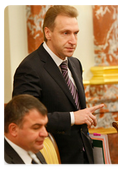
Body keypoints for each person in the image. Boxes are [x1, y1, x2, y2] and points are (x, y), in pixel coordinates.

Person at [12, 4, 104, 164]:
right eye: (65, 33)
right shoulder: (30, 68)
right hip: (53, 158)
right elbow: (25, 119)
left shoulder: (75, 64)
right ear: (48, 32)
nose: (73, 41)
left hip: (84, 157)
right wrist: (73, 117)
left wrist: (84, 116)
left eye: (76, 33)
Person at [2, 94, 48, 165]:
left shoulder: (34, 152)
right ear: (14, 130)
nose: (45, 134)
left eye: (45, 126)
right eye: (36, 127)